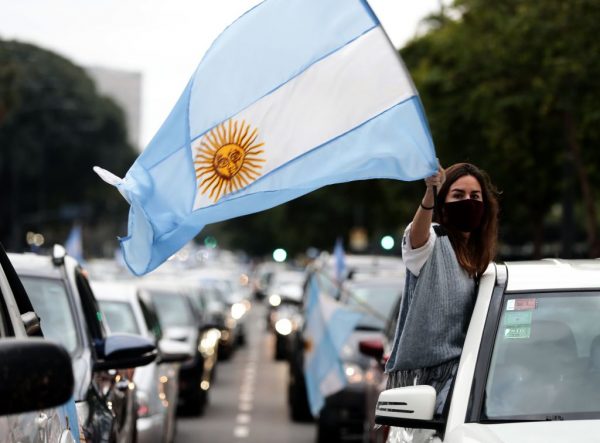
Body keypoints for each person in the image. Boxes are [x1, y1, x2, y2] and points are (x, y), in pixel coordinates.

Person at [384, 162, 499, 418]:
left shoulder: (484, 263)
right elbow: (417, 236)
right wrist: (429, 194)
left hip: (477, 383)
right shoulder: (433, 241)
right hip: (435, 394)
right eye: (458, 195)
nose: (468, 201)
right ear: (443, 202)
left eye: (475, 196)